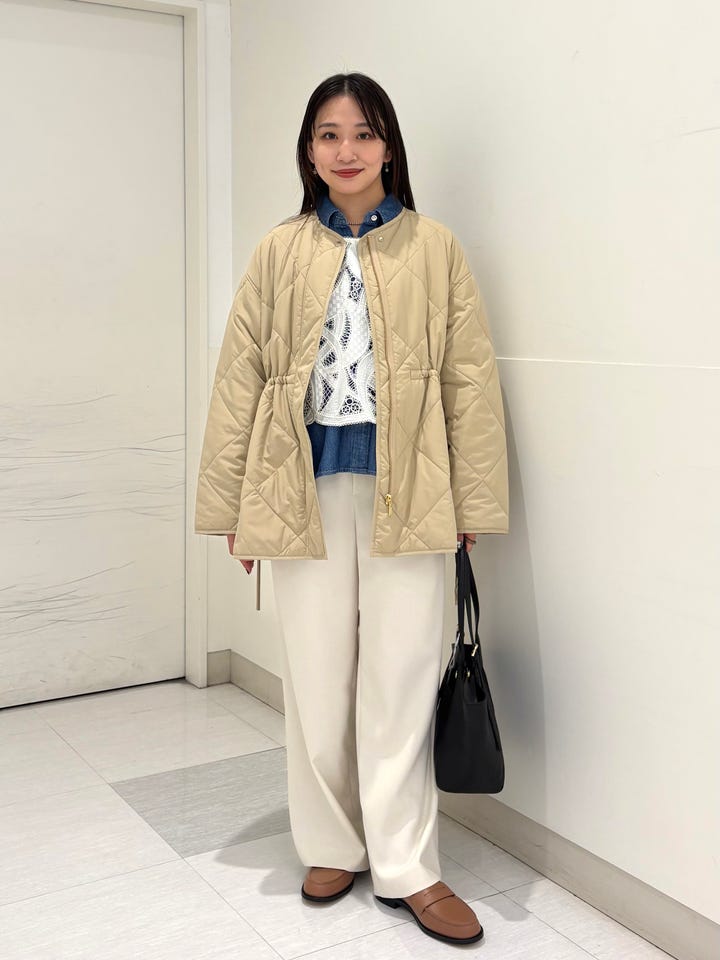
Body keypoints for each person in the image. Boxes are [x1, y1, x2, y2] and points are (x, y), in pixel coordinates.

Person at [195, 72, 509, 947]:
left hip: (414, 490)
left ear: (389, 147)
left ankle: (408, 864)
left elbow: (470, 381)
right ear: (308, 150)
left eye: (364, 134)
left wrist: (472, 499)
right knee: (317, 677)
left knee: (401, 680)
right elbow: (239, 380)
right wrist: (233, 505)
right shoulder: (278, 251)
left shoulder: (435, 248)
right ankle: (332, 843)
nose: (347, 151)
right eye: (329, 134)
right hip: (298, 490)